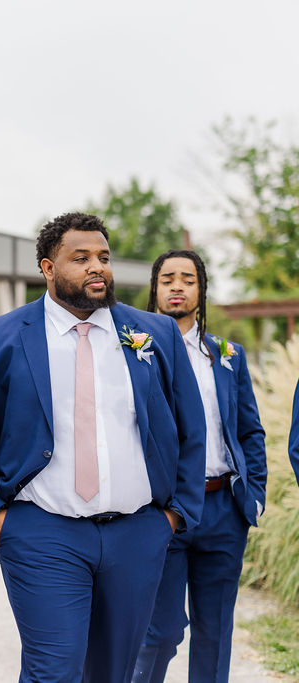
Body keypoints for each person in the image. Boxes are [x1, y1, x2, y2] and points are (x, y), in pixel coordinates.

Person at [0, 212, 206, 682]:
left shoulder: (156, 335)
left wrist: (173, 517)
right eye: (80, 257)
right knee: (54, 670)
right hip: (41, 533)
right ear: (48, 268)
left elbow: (191, 429)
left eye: (103, 258)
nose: (97, 267)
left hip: (136, 534)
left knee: (113, 672)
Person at [132, 250, 266, 682]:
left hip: (224, 508)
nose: (177, 286)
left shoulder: (228, 355)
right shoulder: (132, 352)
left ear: (201, 290)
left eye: (188, 279)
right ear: (154, 288)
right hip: (163, 512)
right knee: (160, 631)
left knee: (216, 630)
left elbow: (249, 430)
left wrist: (255, 494)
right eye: (167, 278)